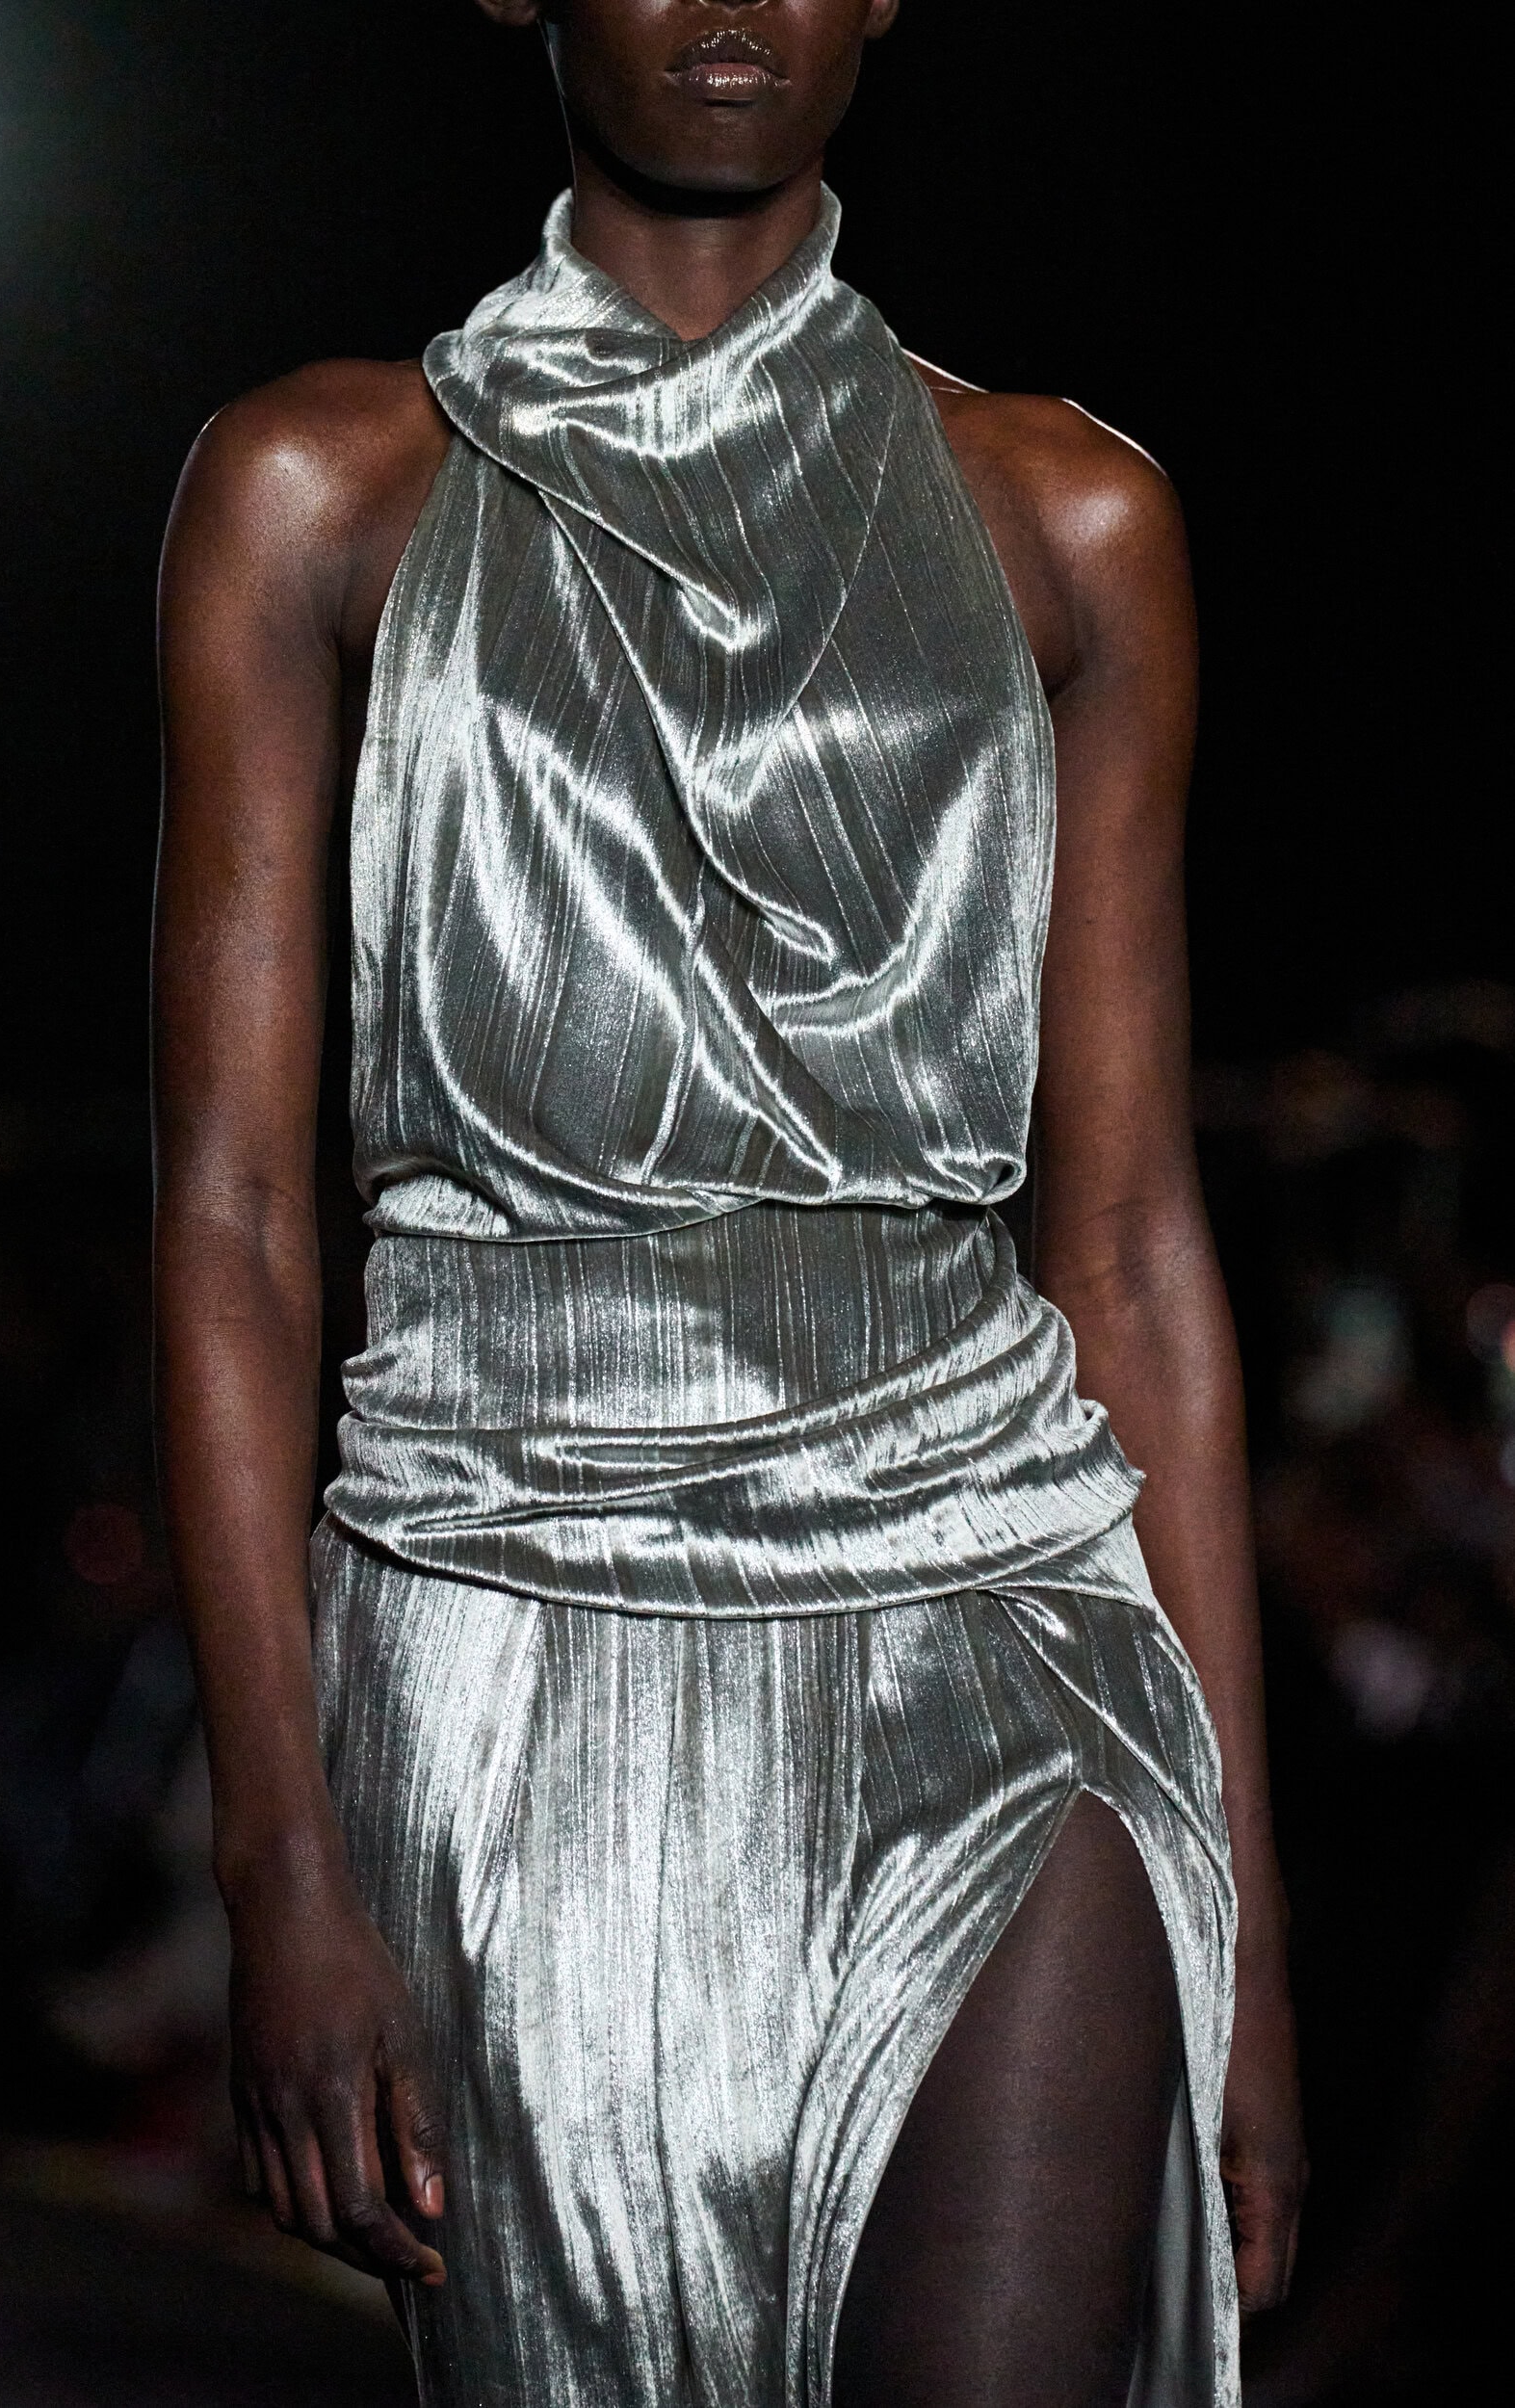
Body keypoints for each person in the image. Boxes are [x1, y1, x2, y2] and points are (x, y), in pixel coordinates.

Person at [152, 4, 1306, 2402]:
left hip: (1000, 1596)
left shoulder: (1070, 514)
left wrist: (1256, 1931)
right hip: (506, 1612)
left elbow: (1125, 1241)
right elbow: (235, 1216)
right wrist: (277, 1855)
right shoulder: (317, 486)